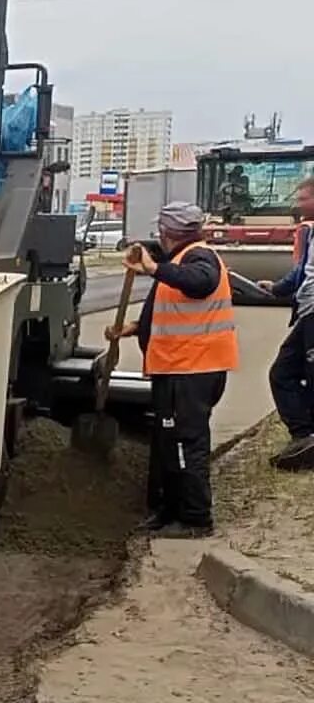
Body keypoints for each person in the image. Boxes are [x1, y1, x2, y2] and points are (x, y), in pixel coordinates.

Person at [111, 204, 239, 536]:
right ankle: (169, 509)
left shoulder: (200, 258)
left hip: (193, 370)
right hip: (177, 368)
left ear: (168, 233)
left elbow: (200, 283)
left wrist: (152, 268)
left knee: (186, 443)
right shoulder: (179, 261)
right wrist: (136, 327)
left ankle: (196, 519)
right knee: (169, 443)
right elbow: (174, 310)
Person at [262, 176, 314, 470]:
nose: (298, 203)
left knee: (290, 372)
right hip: (308, 311)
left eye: (303, 198)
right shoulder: (310, 232)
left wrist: (282, 288)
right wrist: (279, 288)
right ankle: (304, 436)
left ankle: (305, 436)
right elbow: (302, 273)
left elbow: (303, 275)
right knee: (283, 373)